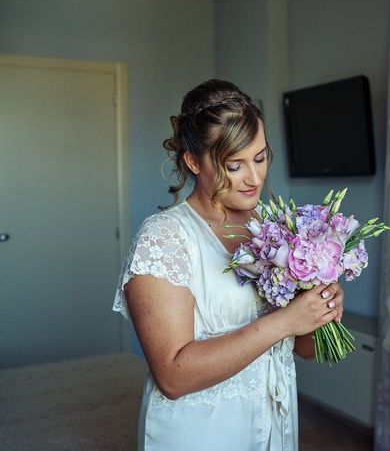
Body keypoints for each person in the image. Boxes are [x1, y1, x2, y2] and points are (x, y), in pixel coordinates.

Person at [112, 79, 344, 451]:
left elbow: (304, 349)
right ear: (192, 161)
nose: (254, 178)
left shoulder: (274, 228)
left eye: (260, 157)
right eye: (234, 165)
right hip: (201, 432)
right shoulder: (164, 238)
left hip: (274, 421)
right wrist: (284, 320)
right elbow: (172, 376)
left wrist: (320, 308)